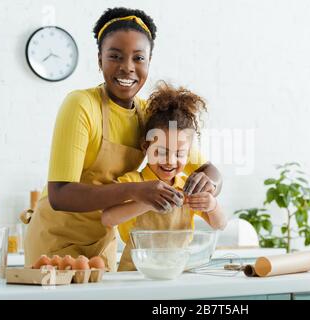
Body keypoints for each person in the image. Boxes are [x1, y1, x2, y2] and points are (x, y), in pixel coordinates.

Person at [24, 7, 222, 271]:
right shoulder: (81, 105)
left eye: (138, 58)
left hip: (102, 243)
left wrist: (208, 185)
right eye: (115, 56)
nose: (127, 67)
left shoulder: (149, 115)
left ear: (149, 62)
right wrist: (134, 190)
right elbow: (60, 194)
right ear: (99, 59)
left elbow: (207, 169)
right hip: (55, 242)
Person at [102, 82, 227, 271]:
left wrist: (211, 204)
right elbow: (108, 218)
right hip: (136, 273)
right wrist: (148, 201)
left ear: (189, 154)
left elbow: (220, 224)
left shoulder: (187, 186)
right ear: (146, 148)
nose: (170, 161)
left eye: (179, 154)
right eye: (161, 152)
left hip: (178, 272)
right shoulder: (132, 182)